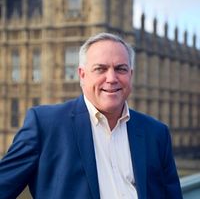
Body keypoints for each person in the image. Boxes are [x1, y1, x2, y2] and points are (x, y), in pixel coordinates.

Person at [0, 32, 182, 199]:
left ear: (131, 75)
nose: (111, 78)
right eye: (100, 69)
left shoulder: (157, 133)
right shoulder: (45, 125)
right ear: (82, 74)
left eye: (121, 69)